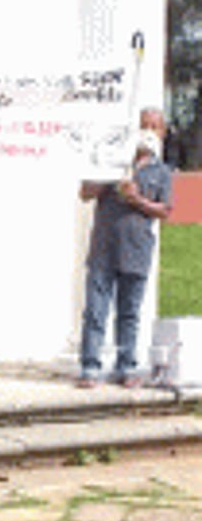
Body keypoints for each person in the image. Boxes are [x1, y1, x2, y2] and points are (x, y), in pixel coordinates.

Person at [77, 110, 173, 389]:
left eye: (154, 127)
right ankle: (90, 367)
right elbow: (84, 192)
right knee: (96, 309)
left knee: (129, 312)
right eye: (144, 125)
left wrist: (137, 199)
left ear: (162, 133)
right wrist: (110, 179)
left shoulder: (162, 172)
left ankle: (126, 366)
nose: (148, 131)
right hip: (104, 248)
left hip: (137, 250)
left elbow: (165, 210)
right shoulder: (110, 158)